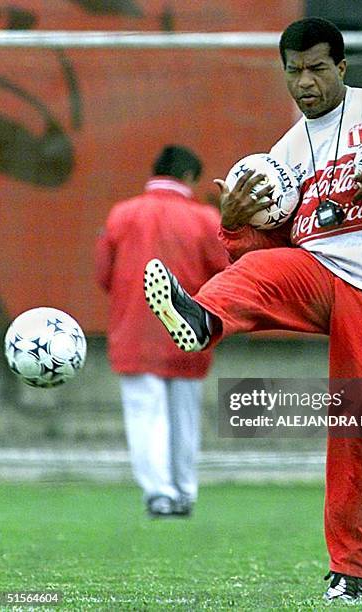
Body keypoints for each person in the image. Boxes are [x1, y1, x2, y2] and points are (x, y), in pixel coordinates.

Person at [143, 18, 362, 602]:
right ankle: (204, 319)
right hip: (320, 272)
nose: (306, 82)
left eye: (318, 69)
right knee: (256, 271)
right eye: (294, 71)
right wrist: (235, 220)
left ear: (341, 68)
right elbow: (269, 248)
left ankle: (350, 573)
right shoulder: (284, 152)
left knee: (360, 426)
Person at [96, 145, 227, 518]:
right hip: (188, 335)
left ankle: (159, 492)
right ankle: (185, 490)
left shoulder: (122, 214)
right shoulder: (205, 219)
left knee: (145, 415)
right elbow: (224, 272)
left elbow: (103, 275)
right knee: (185, 416)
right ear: (188, 177)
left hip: (134, 333)